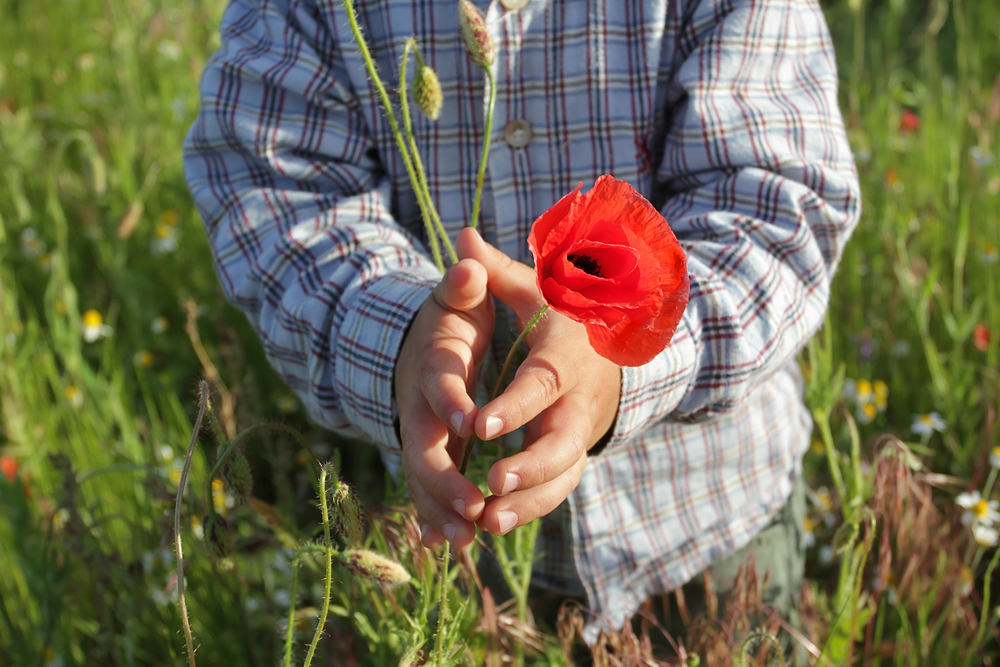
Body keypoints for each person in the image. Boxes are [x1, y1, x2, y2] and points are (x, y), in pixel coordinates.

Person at [184, 0, 860, 644]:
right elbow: (276, 189)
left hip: (706, 529)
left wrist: (622, 353)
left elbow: (776, 203)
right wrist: (397, 336)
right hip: (440, 541)